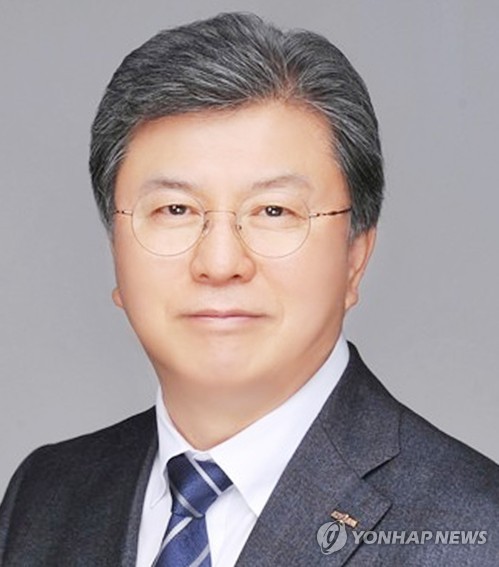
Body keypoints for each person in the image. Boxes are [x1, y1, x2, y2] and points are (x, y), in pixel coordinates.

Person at [0, 12, 498, 567]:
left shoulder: (477, 528)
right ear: (115, 249)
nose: (220, 263)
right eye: (175, 209)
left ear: (355, 257)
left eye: (273, 211)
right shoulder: (44, 497)